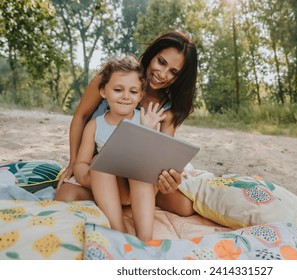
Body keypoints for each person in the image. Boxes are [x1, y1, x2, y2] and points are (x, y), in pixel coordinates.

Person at [55, 31, 198, 217]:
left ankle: (128, 200)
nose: (162, 74)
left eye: (173, 72)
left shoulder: (168, 109)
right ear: (151, 54)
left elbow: (161, 157)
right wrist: (74, 163)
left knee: (184, 207)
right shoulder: (113, 79)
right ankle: (114, 199)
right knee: (65, 197)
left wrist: (168, 180)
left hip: (136, 173)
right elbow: (80, 117)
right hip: (99, 166)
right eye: (161, 62)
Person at [74, 55, 164, 241]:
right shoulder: (95, 125)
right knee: (99, 163)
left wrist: (148, 130)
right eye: (117, 89)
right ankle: (119, 231)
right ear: (103, 91)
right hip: (109, 188)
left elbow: (152, 160)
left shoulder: (145, 120)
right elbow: (81, 162)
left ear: (140, 96)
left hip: (139, 188)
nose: (125, 96)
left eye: (133, 91)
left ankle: (145, 239)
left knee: (140, 166)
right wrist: (87, 175)